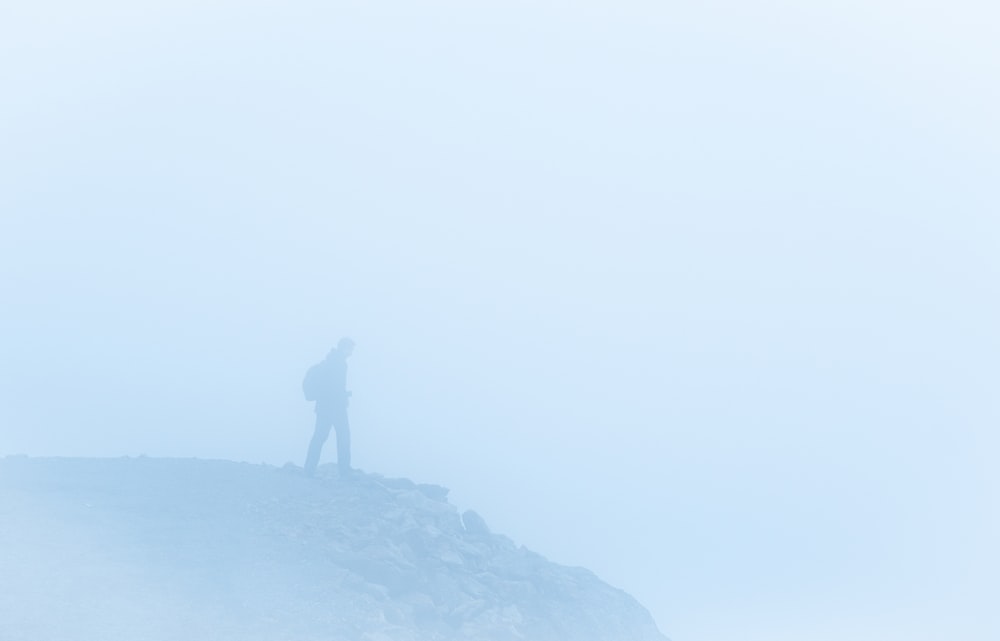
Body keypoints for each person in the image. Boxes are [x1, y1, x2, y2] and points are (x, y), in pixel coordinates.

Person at [303, 337, 355, 477]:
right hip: (335, 408)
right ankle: (344, 472)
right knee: (343, 437)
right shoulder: (339, 363)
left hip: (323, 407)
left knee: (319, 438)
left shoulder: (330, 360)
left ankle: (308, 469)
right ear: (344, 348)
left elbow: (330, 386)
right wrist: (344, 397)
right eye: (350, 349)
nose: (351, 353)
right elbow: (335, 387)